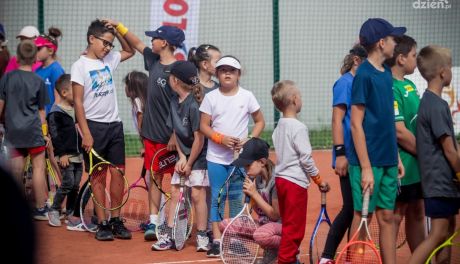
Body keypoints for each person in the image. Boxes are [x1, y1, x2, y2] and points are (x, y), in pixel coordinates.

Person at [105, 19, 185, 241]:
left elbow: (183, 105)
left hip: (171, 137)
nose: (151, 40)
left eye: (155, 37)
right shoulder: (153, 60)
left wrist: (175, 134)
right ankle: (153, 222)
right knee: (154, 178)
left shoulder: (179, 70)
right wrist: (119, 26)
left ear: (165, 42)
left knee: (177, 181)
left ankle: (174, 221)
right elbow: (137, 43)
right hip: (150, 136)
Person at [348, 18, 405, 264]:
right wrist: (367, 168)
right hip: (367, 163)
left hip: (389, 159)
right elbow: (356, 123)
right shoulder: (364, 75)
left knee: (387, 217)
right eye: (393, 39)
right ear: (382, 43)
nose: (396, 43)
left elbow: (386, 119)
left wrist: (397, 156)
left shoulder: (387, 74)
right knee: (363, 218)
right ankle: (353, 260)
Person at [72, 19, 134, 241]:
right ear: (91, 39)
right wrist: (86, 133)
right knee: (97, 176)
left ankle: (116, 220)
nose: (108, 47)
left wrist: (117, 30)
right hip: (94, 128)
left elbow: (130, 50)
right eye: (105, 43)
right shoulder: (79, 66)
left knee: (118, 174)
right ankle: (103, 223)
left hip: (115, 126)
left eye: (110, 44)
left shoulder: (109, 59)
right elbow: (78, 102)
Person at [199, 55, 265, 257]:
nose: (227, 73)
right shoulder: (211, 97)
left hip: (240, 160)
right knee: (218, 198)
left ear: (238, 74)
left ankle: (236, 239)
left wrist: (249, 139)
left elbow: (260, 121)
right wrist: (220, 139)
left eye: (232, 70)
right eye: (223, 70)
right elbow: (203, 126)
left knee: (237, 198)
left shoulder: (247, 96)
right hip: (216, 159)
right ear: (217, 73)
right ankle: (217, 240)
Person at [409, 45, 460, 264]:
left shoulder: (431, 102)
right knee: (438, 233)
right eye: (449, 66)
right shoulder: (436, 105)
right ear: (442, 72)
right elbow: (449, 149)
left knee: (448, 230)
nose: (450, 70)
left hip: (442, 182)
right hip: (440, 182)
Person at [151, 61, 210, 251]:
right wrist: (181, 157)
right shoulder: (174, 101)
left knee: (196, 194)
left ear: (175, 80)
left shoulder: (194, 105)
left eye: (170, 76)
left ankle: (202, 235)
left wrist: (190, 161)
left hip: (199, 157)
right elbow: (176, 132)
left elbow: (199, 140)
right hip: (185, 155)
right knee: (175, 191)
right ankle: (168, 234)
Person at [271, 80, 330, 264]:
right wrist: (319, 180)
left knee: (288, 224)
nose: (301, 99)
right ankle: (286, 260)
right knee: (294, 229)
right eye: (301, 96)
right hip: (294, 183)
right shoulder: (299, 128)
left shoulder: (279, 126)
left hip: (281, 181)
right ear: (295, 100)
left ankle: (291, 259)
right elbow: (306, 158)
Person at [319, 45, 367, 264]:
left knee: (358, 209)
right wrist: (341, 153)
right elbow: (337, 120)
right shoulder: (344, 83)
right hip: (348, 157)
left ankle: (350, 256)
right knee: (350, 208)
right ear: (357, 60)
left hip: (363, 156)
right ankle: (327, 256)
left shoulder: (365, 83)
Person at [384, 35, 425, 253]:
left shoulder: (409, 84)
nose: (415, 59)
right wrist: (425, 152)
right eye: (413, 55)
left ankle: (420, 259)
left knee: (418, 210)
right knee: (396, 215)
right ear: (401, 59)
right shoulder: (390, 87)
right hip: (402, 165)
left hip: (418, 165)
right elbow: (399, 131)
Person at [0, 40, 50, 220]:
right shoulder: (38, 80)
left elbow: (0, 105)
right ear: (35, 57)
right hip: (33, 130)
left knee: (15, 170)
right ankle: (40, 208)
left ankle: (17, 209)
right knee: (38, 167)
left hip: (13, 131)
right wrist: (44, 133)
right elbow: (42, 111)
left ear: (18, 57)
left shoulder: (7, 77)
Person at [218, 137, 282, 264]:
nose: (246, 170)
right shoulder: (256, 178)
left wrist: (255, 194)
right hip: (264, 225)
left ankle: (283, 249)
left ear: (262, 162)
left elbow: (275, 215)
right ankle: (270, 251)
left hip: (282, 228)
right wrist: (249, 195)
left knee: (261, 235)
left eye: (248, 165)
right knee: (225, 225)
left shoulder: (276, 180)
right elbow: (246, 209)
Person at [47, 74, 83, 228]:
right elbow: (55, 135)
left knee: (75, 185)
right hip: (65, 156)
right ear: (64, 93)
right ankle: (54, 209)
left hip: (78, 155)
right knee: (67, 183)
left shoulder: (75, 109)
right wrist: (61, 154)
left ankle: (70, 212)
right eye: (74, 91)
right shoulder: (55, 113)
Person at [35, 26, 65, 114]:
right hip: (38, 120)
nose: (35, 52)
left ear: (50, 51)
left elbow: (60, 100)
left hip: (50, 120)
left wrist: (52, 119)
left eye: (39, 49)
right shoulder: (37, 71)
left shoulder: (56, 70)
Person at [123, 70, 148, 154]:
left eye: (126, 85)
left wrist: (144, 145)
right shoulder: (142, 101)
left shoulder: (137, 101)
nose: (125, 88)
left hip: (147, 140)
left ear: (133, 88)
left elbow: (140, 119)